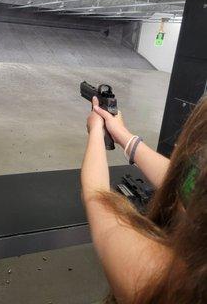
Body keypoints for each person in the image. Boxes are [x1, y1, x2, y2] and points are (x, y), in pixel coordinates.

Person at [81, 95, 207, 304]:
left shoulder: (168, 282)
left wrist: (96, 130)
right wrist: (122, 134)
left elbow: (95, 195)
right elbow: (181, 181)